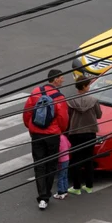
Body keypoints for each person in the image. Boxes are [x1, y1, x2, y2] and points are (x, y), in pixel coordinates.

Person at [23, 69, 69, 210]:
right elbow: (63, 119)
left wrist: (31, 127)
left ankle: (42, 196)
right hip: (52, 135)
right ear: (55, 80)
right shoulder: (59, 97)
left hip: (36, 134)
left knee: (39, 165)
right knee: (51, 165)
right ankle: (46, 195)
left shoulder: (36, 91)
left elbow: (27, 112)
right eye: (61, 78)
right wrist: (59, 131)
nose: (63, 80)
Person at [67, 76, 102, 195]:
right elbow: (99, 115)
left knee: (76, 159)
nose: (89, 87)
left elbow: (68, 116)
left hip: (75, 133)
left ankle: (76, 187)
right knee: (89, 159)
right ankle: (89, 186)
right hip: (90, 133)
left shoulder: (71, 101)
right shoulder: (94, 100)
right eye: (88, 85)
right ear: (84, 86)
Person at [53, 134, 71, 200]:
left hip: (61, 160)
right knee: (65, 175)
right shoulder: (64, 137)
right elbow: (69, 145)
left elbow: (57, 149)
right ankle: (65, 190)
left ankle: (61, 192)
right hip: (67, 158)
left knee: (60, 176)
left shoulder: (57, 139)